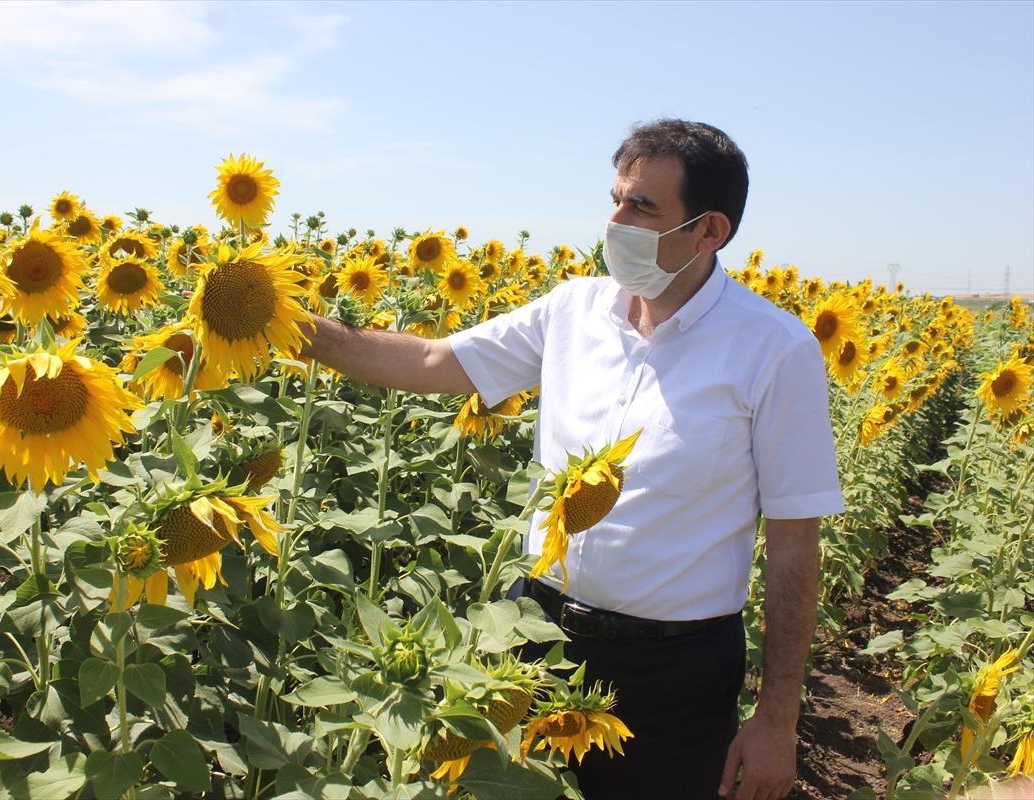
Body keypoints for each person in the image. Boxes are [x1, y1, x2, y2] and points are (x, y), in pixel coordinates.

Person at [299, 119, 844, 800]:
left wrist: (778, 716)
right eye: (616, 199)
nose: (616, 221)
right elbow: (435, 361)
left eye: (642, 206)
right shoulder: (572, 311)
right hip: (534, 633)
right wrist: (296, 328)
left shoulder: (773, 349)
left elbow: (794, 541)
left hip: (672, 671)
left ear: (709, 230)